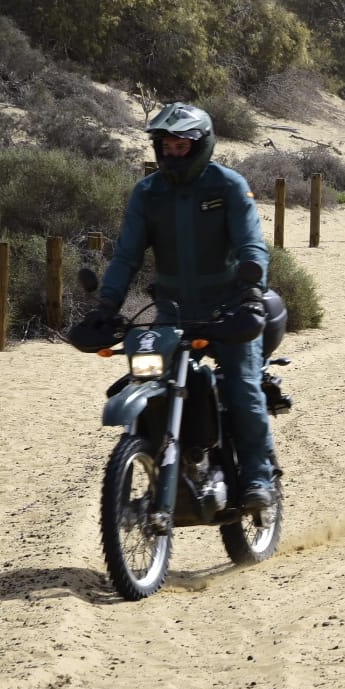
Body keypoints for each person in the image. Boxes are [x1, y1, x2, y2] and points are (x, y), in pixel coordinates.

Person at [93, 102, 278, 511]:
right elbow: (127, 256)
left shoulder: (228, 186)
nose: (173, 153)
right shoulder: (147, 193)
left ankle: (258, 479)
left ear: (200, 144)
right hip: (173, 311)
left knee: (243, 385)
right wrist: (106, 305)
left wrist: (250, 295)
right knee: (147, 382)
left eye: (181, 145)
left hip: (230, 307)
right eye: (167, 146)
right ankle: (165, 469)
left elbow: (251, 245)